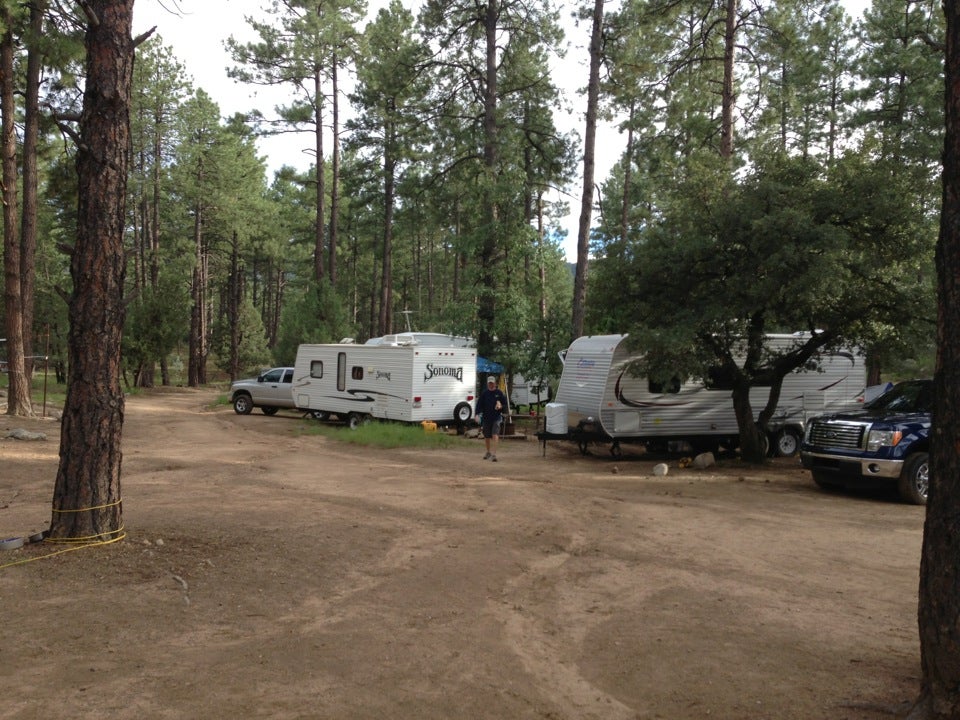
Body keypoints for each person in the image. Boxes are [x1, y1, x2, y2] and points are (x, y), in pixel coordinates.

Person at [476, 375, 508, 461]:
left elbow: (505, 405)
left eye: (492, 383)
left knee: (495, 435)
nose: (490, 384)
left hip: (496, 417)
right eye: (489, 383)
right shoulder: (484, 394)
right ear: (487, 384)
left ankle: (494, 454)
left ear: (495, 383)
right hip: (486, 417)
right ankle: (488, 452)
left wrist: (500, 406)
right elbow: (479, 405)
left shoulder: (499, 393)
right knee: (487, 436)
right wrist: (477, 414)